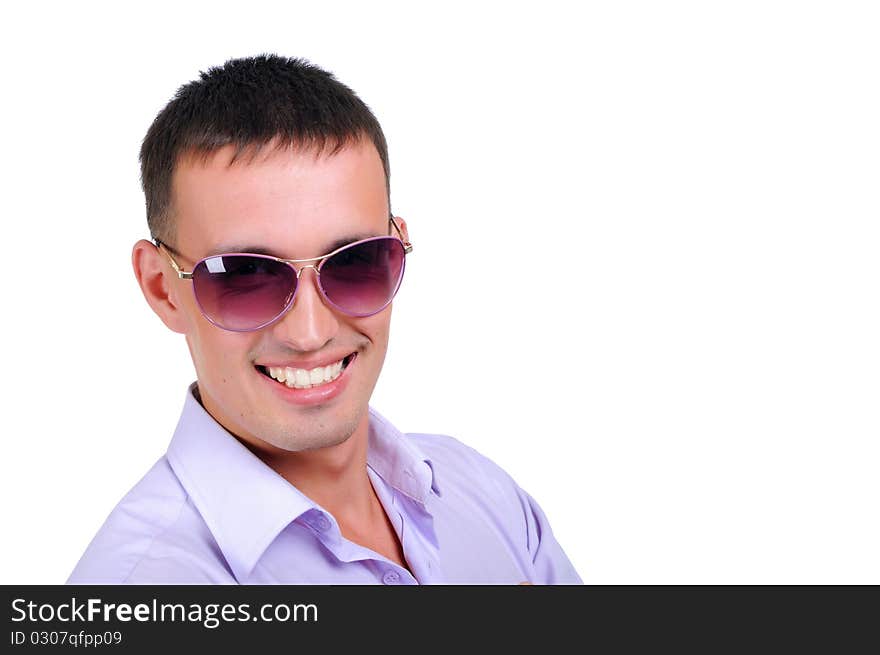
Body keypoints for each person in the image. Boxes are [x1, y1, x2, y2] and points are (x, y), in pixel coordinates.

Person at [68, 54, 582, 584]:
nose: (310, 332)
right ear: (162, 288)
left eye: (355, 261)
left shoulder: (482, 495)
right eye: (245, 276)